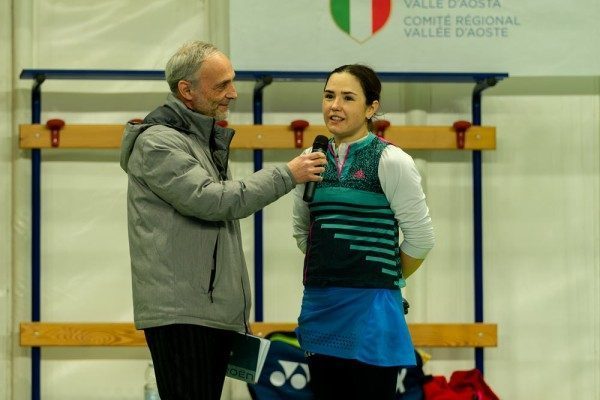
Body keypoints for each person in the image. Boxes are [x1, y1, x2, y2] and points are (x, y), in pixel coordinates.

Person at [119, 40, 326, 400]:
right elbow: (213, 201)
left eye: (232, 81)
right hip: (183, 314)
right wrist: (287, 174)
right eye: (221, 85)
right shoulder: (158, 144)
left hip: (205, 311)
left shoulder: (198, 140)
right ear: (187, 90)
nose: (233, 93)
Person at [292, 64, 435, 399]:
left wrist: (382, 278)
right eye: (329, 96)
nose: (334, 106)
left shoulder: (392, 161)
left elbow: (421, 239)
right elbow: (303, 232)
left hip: (374, 312)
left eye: (347, 98)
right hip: (321, 307)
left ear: (371, 108)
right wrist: (338, 267)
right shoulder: (309, 159)